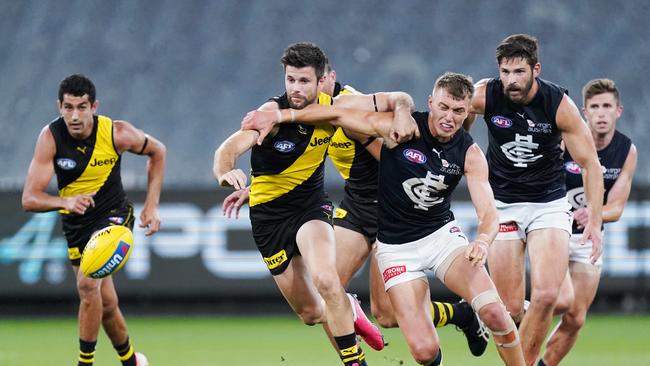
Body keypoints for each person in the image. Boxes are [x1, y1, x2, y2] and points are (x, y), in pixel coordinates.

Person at [242, 72, 526, 365]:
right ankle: (457, 315)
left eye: (458, 111)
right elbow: (336, 115)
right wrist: (277, 115)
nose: (449, 117)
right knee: (417, 346)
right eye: (443, 107)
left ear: (468, 112)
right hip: (393, 242)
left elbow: (489, 212)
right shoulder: (398, 128)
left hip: (440, 237)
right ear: (431, 103)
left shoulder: (469, 152)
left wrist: (482, 240)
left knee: (494, 312)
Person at [213, 42, 416, 366]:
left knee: (326, 278)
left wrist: (402, 119)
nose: (295, 88)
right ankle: (348, 308)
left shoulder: (335, 108)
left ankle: (355, 362)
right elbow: (228, 148)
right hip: (269, 220)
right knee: (311, 313)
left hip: (311, 209)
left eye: (304, 80)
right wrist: (227, 172)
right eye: (290, 79)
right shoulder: (270, 116)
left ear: (322, 80)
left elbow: (395, 103)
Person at [463, 34, 605, 364]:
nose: (511, 81)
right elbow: (455, 116)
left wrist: (595, 221)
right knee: (510, 309)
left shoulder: (559, 105)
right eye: (505, 72)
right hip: (502, 205)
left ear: (535, 69)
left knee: (546, 295)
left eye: (519, 72)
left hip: (548, 204)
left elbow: (590, 165)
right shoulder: (486, 93)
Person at [21, 74, 166, 366]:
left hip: (114, 215)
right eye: (68, 107)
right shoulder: (50, 138)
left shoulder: (117, 133)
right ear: (59, 107)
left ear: (94, 106)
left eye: (82, 107)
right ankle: (132, 361)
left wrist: (151, 206)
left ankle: (84, 363)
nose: (75, 116)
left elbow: (158, 152)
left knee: (87, 286)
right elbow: (29, 199)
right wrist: (65, 201)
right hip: (76, 225)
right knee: (107, 305)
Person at [537, 79, 637, 366]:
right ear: (584, 112)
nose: (601, 113)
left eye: (607, 106)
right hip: (554, 230)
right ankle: (511, 313)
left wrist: (595, 214)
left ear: (618, 110)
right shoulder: (567, 139)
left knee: (576, 317)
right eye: (595, 107)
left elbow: (616, 207)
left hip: (588, 238)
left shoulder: (626, 150)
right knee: (556, 301)